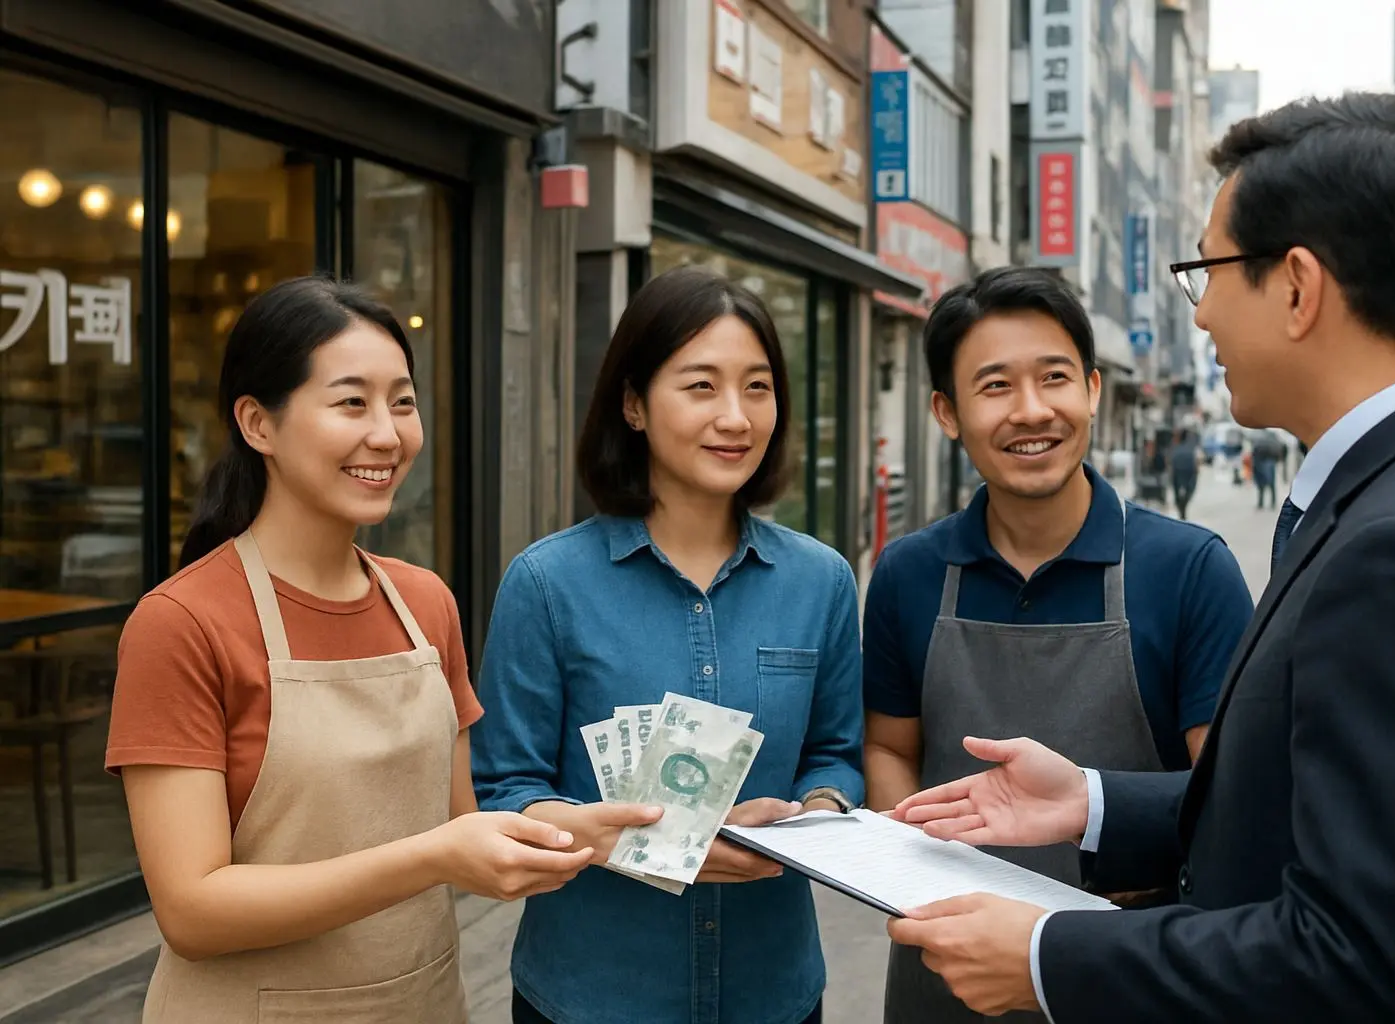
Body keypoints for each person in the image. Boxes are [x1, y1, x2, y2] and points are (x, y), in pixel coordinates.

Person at [885, 93, 1395, 1021]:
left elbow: (1351, 956)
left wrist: (1045, 952)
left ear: (1299, 287)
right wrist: (1093, 803)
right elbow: (1309, 816)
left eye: (1211, 273)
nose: (1202, 319)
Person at [105, 277, 591, 1024]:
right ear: (257, 424)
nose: (389, 435)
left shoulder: (425, 602)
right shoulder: (182, 623)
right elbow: (193, 911)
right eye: (351, 402)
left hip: (425, 1002)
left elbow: (464, 817)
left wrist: (615, 828)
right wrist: (435, 858)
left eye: (402, 401)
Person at [471, 265, 864, 1024]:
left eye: (757, 387)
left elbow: (837, 753)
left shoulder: (822, 581)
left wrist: (815, 814)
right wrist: (621, 841)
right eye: (700, 386)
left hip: (773, 993)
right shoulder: (547, 583)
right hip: (591, 994)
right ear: (633, 404)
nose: (736, 417)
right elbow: (506, 786)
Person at [861, 266, 1254, 1023]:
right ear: (947, 411)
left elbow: (1231, 791)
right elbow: (888, 747)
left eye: (1054, 378)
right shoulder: (910, 573)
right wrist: (915, 881)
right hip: (945, 969)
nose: (1032, 410)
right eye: (996, 386)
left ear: (1095, 390)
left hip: (1126, 969)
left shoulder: (1188, 570)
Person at [1169, 430, 1200, 520]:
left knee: (1177, 491)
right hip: (1189, 470)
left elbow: (1170, 461)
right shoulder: (1191, 446)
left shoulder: (1175, 446)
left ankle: (1181, 508)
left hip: (1178, 470)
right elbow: (1197, 459)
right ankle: (1183, 507)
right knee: (1189, 489)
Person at [1251, 430, 1281, 509]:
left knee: (1262, 484)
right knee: (1271, 484)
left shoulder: (1259, 438)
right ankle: (1272, 503)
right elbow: (1278, 449)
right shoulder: (1273, 437)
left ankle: (1261, 503)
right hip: (1271, 461)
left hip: (1261, 461)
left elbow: (1254, 452)